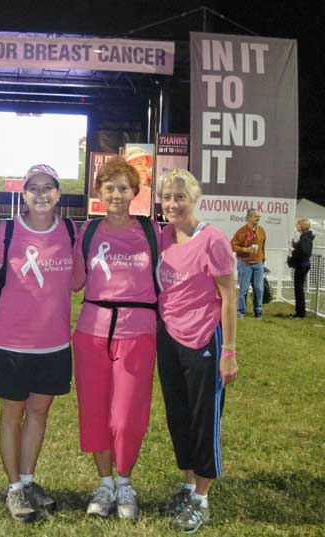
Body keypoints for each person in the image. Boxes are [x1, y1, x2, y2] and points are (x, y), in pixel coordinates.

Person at [0, 164, 75, 521]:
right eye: (33, 188)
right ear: (23, 195)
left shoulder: (71, 230)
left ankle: (27, 479)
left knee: (39, 413)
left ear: (58, 193)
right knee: (12, 414)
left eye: (48, 187)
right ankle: (13, 489)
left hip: (54, 344)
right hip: (11, 344)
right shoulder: (7, 232)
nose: (41, 194)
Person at [71, 157, 160, 521]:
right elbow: (71, 280)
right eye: (110, 188)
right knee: (94, 411)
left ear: (135, 192)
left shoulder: (153, 232)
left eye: (124, 188)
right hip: (91, 331)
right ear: (99, 193)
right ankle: (105, 484)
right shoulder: (87, 233)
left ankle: (125, 482)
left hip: (138, 332)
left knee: (126, 417)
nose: (117, 195)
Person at [156, 169, 237, 533]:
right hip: (168, 338)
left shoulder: (213, 239)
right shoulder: (162, 238)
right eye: (167, 197)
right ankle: (188, 486)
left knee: (204, 420)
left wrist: (229, 351)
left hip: (204, 338)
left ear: (194, 198)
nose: (172, 204)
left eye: (179, 197)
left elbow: (229, 295)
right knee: (179, 416)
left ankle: (201, 500)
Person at [231, 209, 266, 319]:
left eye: (259, 216)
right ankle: (240, 312)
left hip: (258, 264)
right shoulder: (241, 231)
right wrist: (246, 250)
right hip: (244, 264)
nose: (258, 218)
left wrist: (263, 258)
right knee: (243, 289)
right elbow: (233, 246)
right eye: (256, 216)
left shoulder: (261, 230)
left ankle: (258, 311)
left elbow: (263, 246)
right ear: (249, 218)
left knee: (259, 289)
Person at [289, 218, 315, 318]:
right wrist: (295, 246)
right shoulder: (305, 237)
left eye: (298, 224)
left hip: (302, 265)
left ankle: (300, 314)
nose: (296, 226)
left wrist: (294, 251)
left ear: (302, 226)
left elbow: (304, 252)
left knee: (299, 289)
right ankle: (300, 313)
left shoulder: (304, 237)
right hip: (303, 264)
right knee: (299, 289)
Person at [122, 146, 153, 216]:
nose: (145, 169)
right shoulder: (119, 193)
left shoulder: (150, 194)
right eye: (139, 164)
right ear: (128, 168)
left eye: (146, 164)